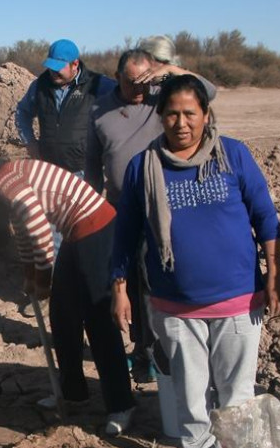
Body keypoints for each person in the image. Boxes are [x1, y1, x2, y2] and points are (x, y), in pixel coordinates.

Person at [110, 74, 280, 448]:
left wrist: (276, 272)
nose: (181, 122)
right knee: (189, 391)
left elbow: (265, 217)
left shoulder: (234, 156)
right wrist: (119, 287)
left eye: (190, 112)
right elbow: (126, 234)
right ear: (160, 116)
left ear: (206, 115)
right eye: (172, 113)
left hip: (238, 299)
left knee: (236, 393)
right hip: (174, 304)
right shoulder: (142, 167)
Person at [0, 157, 136, 436]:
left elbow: (40, 232)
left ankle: (121, 404)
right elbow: (23, 234)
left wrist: (44, 279)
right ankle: (72, 392)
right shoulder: (4, 189)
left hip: (97, 227)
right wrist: (29, 275)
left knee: (97, 320)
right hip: (74, 231)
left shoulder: (7, 179)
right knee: (62, 314)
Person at [87, 49, 218, 385]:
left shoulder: (160, 99)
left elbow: (208, 91)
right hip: (121, 210)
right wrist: (92, 210)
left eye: (145, 81)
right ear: (117, 77)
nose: (139, 90)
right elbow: (92, 168)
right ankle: (142, 350)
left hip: (166, 209)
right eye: (132, 83)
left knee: (163, 281)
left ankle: (173, 349)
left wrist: (171, 70)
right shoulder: (100, 111)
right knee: (128, 283)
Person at [15, 38, 115, 173]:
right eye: (51, 67)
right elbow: (23, 112)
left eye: (58, 68)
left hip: (84, 171)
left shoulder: (96, 83)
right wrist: (30, 143)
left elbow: (124, 96)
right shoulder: (39, 86)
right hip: (49, 170)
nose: (53, 72)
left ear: (75, 64)